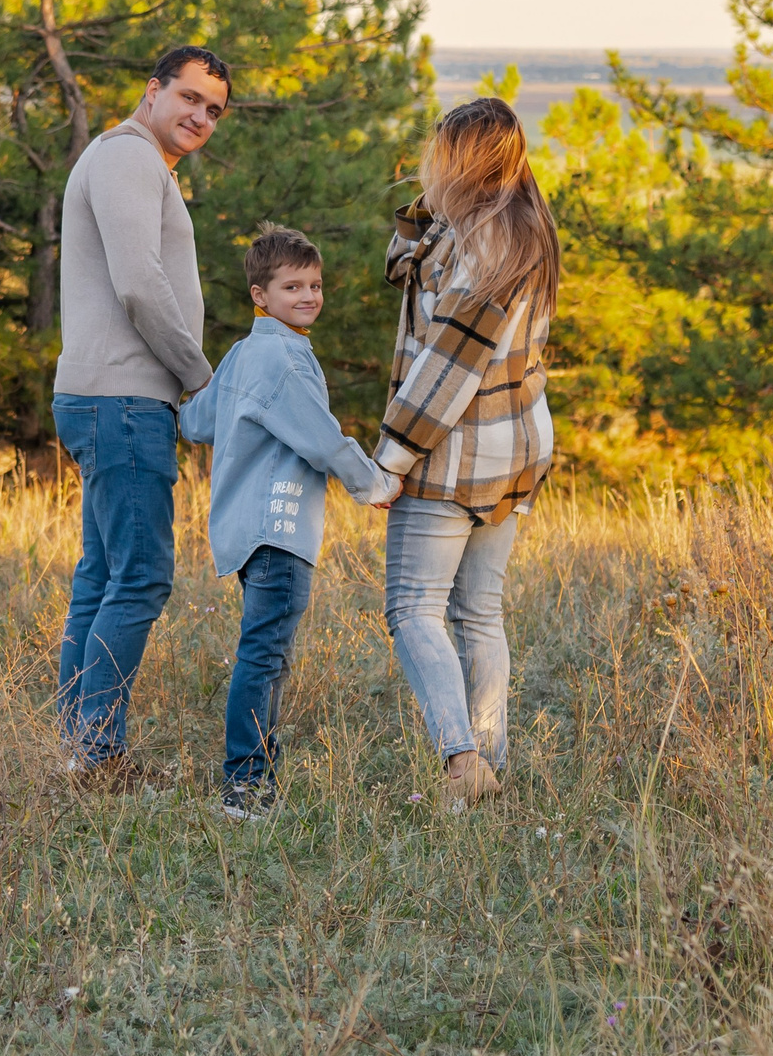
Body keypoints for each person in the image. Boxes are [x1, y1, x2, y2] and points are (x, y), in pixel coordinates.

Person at [372, 98, 560, 810]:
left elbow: (448, 362)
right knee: (479, 612)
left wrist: (390, 459)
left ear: (462, 157)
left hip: (452, 453)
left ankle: (462, 760)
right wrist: (432, 205)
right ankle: (487, 765)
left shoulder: (484, 247)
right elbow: (404, 262)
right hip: (511, 450)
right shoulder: (515, 228)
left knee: (413, 608)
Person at [51, 45, 231, 786]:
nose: (199, 116)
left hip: (107, 397)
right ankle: (97, 755)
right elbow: (138, 284)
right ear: (152, 90)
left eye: (214, 109)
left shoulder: (133, 161)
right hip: (123, 399)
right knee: (144, 577)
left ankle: (73, 747)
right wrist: (199, 378)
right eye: (189, 97)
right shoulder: (128, 158)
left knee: (102, 576)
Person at [179, 226, 399, 820]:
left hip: (249, 527)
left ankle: (258, 773)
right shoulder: (281, 358)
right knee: (264, 655)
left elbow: (197, 422)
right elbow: (323, 440)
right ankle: (245, 784)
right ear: (260, 295)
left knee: (268, 652)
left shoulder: (247, 352)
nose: (308, 295)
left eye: (316, 284)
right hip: (278, 527)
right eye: (292, 286)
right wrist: (374, 484)